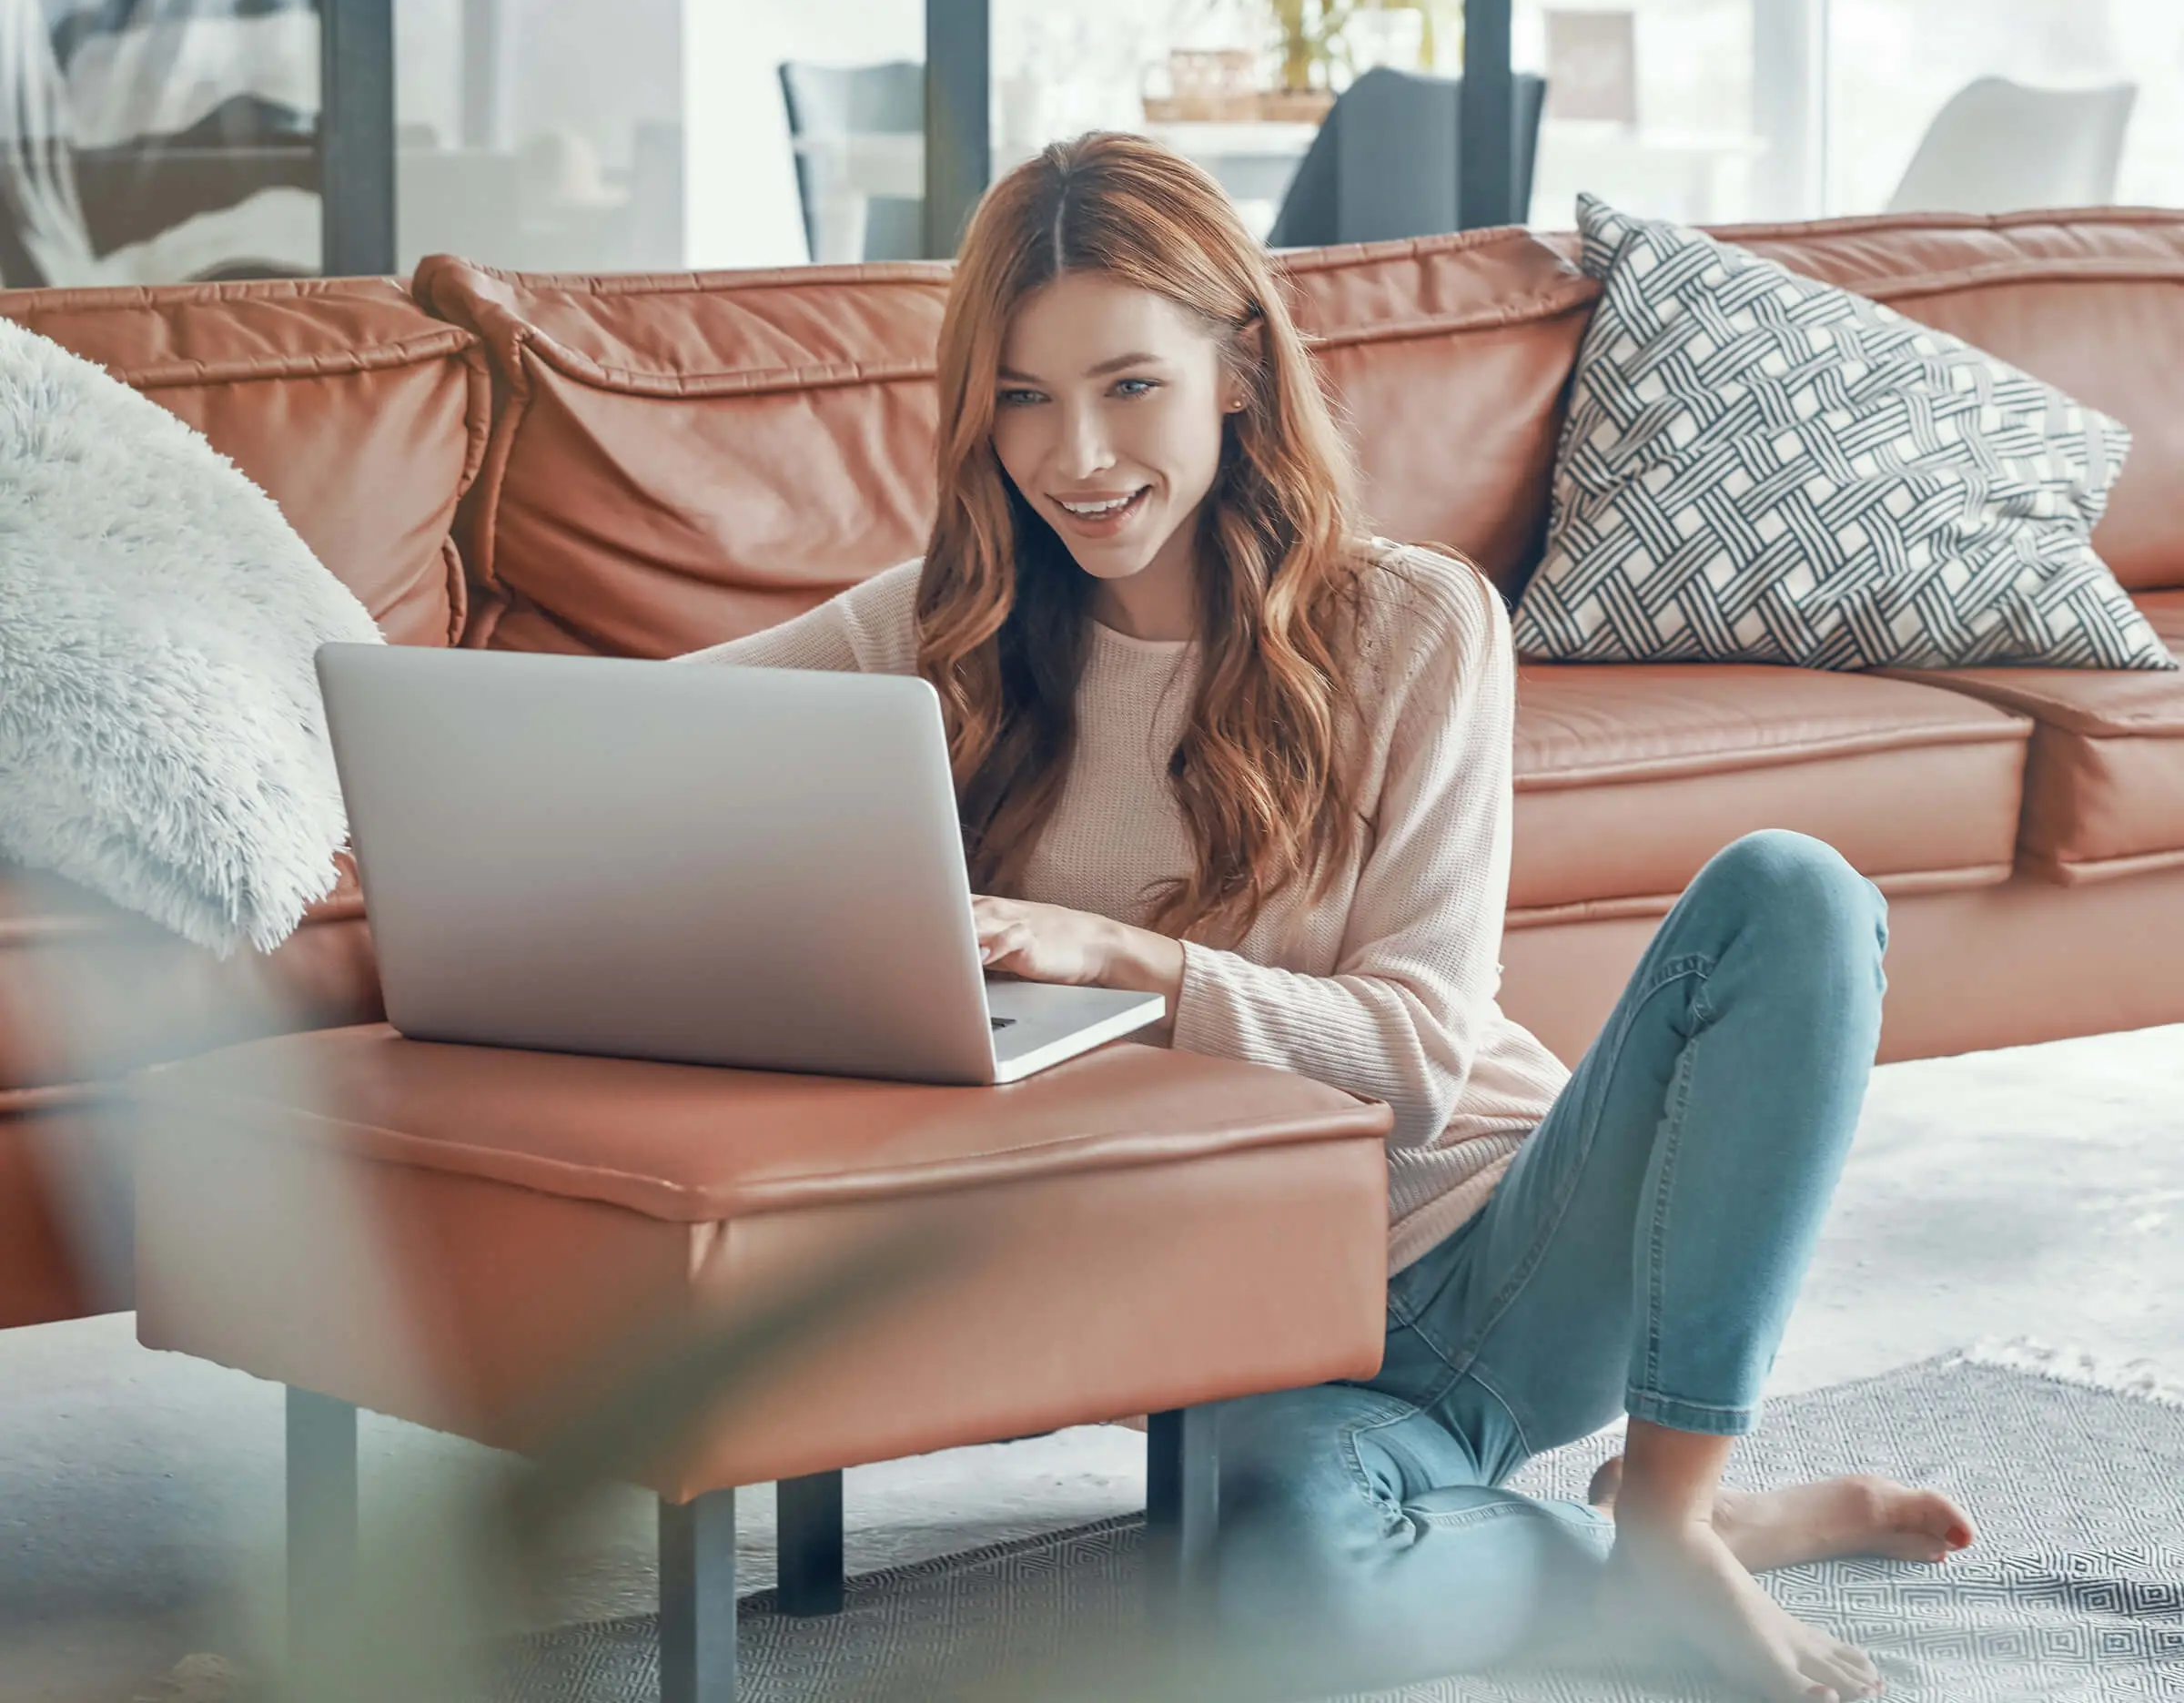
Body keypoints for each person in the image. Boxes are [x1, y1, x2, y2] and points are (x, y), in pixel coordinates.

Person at [685, 132, 1974, 1700]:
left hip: (1504, 1244)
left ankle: (1678, 1506)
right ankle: (1646, 1548)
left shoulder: (1412, 621)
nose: (1075, 454)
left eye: (1130, 386)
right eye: (1021, 397)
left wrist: (1142, 967)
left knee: (1796, 894)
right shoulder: (936, 631)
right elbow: (620, 746)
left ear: (1238, 369)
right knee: (1298, 1599)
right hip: (1247, 1331)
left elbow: (1420, 1062)